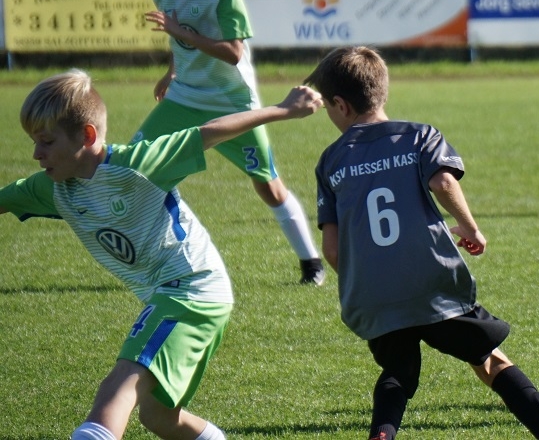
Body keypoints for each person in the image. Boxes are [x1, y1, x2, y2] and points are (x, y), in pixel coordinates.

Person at [0, 69, 324, 440]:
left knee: (118, 389)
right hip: (180, 295)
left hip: (191, 288)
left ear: (87, 136)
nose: (36, 153)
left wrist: (284, 109)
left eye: (46, 141)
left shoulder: (139, 166)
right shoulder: (54, 188)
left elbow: (209, 132)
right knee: (160, 417)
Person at [306, 46, 539, 440]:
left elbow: (331, 250)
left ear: (340, 105)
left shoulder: (331, 161)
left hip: (375, 295)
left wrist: (367, 276)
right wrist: (470, 227)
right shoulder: (418, 136)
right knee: (489, 361)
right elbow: (444, 181)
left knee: (398, 372)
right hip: (430, 281)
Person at [137, 0, 325, 285]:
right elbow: (178, 37)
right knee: (138, 169)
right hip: (183, 98)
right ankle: (158, 261)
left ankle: (312, 262)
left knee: (267, 184)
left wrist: (180, 33)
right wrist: (171, 71)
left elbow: (233, 53)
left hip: (232, 103)